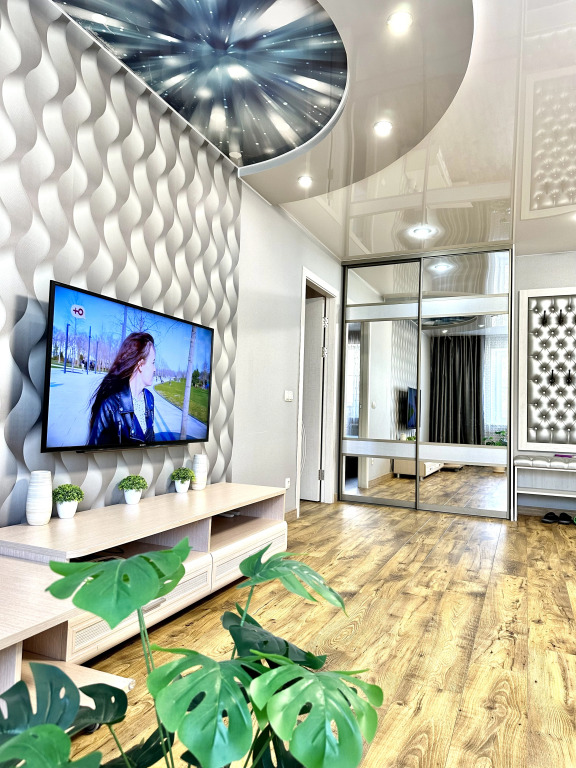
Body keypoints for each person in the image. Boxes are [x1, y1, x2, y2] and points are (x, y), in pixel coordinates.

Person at [88, 332, 156, 446]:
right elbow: (95, 451)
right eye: (153, 362)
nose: (154, 369)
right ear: (140, 365)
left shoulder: (149, 398)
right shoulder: (110, 406)